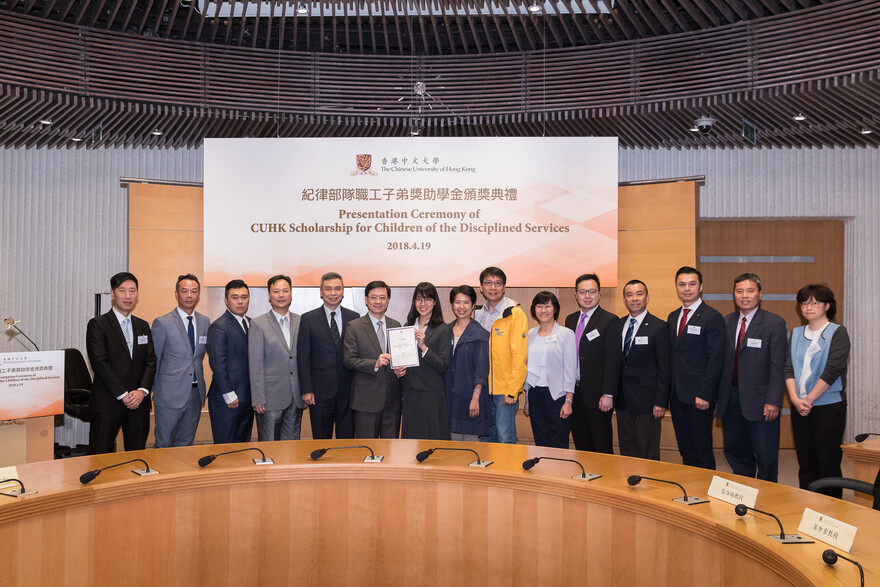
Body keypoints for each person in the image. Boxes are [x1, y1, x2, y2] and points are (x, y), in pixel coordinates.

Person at [717, 273, 787, 482]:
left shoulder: (774, 323)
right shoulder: (726, 322)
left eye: (750, 290)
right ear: (734, 294)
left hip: (761, 401)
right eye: (739, 291)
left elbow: (777, 366)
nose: (744, 296)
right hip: (731, 400)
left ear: (760, 294)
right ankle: (743, 493)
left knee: (766, 458)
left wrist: (773, 400)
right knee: (736, 452)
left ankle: (767, 501)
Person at [784, 284, 850, 498]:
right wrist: (795, 399)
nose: (808, 307)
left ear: (827, 306)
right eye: (804, 303)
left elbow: (832, 370)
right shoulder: (795, 334)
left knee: (828, 461)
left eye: (814, 302)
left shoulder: (837, 332)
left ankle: (832, 511)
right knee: (806, 462)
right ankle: (808, 505)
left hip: (827, 407)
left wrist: (809, 399)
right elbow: (788, 368)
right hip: (799, 406)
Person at [85, 272, 156, 454]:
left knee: (137, 455)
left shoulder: (143, 325)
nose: (127, 296)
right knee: (101, 456)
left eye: (132, 291)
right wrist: (123, 394)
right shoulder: (98, 324)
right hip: (109, 401)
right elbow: (100, 363)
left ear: (137, 295)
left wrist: (142, 391)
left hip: (138, 403)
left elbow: (150, 361)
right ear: (112, 293)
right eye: (122, 290)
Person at [667, 266, 725, 469]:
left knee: (701, 449)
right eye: (682, 284)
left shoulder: (712, 316)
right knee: (686, 448)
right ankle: (690, 489)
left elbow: (716, 359)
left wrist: (705, 394)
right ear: (676, 287)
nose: (687, 289)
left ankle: (705, 490)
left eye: (692, 284)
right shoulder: (673, 317)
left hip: (699, 396)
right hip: (677, 396)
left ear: (701, 287)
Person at [150, 274, 210, 448]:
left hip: (195, 394)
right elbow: (155, 359)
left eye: (194, 291)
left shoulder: (205, 322)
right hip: (169, 395)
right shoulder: (162, 323)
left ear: (198, 295)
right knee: (164, 443)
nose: (189, 295)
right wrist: (157, 391)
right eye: (184, 291)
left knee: (186, 443)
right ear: (176, 294)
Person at [297, 272, 359, 439]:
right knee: (321, 439)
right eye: (328, 289)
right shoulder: (308, 319)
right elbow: (303, 358)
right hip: (319, 393)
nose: (333, 293)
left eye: (337, 289)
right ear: (321, 292)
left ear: (343, 292)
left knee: (347, 440)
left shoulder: (354, 318)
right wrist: (306, 390)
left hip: (348, 391)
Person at [564, 273, 621, 454]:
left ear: (599, 294)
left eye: (591, 291)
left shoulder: (609, 320)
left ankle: (605, 481)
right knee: (581, 443)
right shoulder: (570, 320)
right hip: (575, 393)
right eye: (582, 292)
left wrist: (608, 393)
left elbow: (613, 360)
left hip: (598, 395)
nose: (587, 296)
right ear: (576, 295)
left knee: (601, 444)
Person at [616, 279, 670, 461]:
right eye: (629, 295)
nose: (634, 299)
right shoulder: (618, 324)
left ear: (647, 298)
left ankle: (650, 488)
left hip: (648, 403)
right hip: (623, 401)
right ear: (624, 299)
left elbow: (665, 368)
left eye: (639, 294)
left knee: (648, 451)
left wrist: (661, 401)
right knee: (627, 448)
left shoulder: (659, 327)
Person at [474, 266, 528, 444]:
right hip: (483, 388)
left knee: (505, 438)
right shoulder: (477, 313)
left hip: (504, 389)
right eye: (488, 283)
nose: (493, 287)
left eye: (498, 283)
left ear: (504, 287)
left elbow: (520, 355)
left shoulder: (514, 313)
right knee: (486, 437)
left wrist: (512, 391)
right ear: (481, 287)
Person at [343, 280, 402, 438]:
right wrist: (374, 363)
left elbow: (400, 357)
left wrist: (401, 368)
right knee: (367, 450)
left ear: (388, 300)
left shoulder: (396, 325)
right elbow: (349, 360)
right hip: (366, 401)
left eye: (382, 297)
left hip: (392, 400)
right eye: (374, 297)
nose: (378, 301)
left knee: (391, 450)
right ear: (366, 300)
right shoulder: (354, 326)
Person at [248, 274, 304, 441]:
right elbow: (255, 363)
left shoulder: (301, 321)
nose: (281, 295)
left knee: (292, 447)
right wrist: (258, 397)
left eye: (285, 291)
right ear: (269, 296)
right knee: (270, 446)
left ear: (291, 294)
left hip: (296, 396)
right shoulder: (258, 324)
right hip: (269, 399)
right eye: (276, 291)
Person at [396, 282, 452, 440]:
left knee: (432, 440)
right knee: (411, 440)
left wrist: (423, 347)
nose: (423, 303)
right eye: (419, 299)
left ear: (435, 302)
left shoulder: (443, 329)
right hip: (409, 392)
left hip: (431, 394)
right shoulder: (407, 327)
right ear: (414, 302)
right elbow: (402, 357)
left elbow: (443, 365)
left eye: (428, 299)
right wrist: (398, 369)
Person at [522, 292, 576, 449]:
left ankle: (559, 473)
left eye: (547, 306)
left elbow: (570, 369)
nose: (543, 310)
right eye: (539, 306)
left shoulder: (565, 334)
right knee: (541, 439)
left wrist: (568, 401)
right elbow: (527, 367)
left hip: (558, 395)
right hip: (535, 394)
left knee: (559, 440)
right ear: (534, 310)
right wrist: (527, 399)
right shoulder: (530, 334)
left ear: (555, 309)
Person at [206, 279, 254, 444]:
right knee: (225, 447)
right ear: (226, 300)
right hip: (228, 400)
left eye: (244, 297)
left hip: (248, 397)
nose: (240, 302)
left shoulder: (251, 323)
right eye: (234, 297)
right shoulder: (219, 326)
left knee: (242, 446)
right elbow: (218, 363)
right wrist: (229, 394)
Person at [445, 285, 490, 441]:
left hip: (471, 398)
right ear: (452, 305)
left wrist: (476, 397)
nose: (461, 307)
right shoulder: (445, 330)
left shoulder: (480, 334)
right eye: (458, 302)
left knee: (470, 448)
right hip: (451, 399)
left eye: (466, 302)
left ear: (472, 306)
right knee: (452, 446)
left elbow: (481, 369)